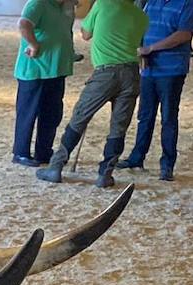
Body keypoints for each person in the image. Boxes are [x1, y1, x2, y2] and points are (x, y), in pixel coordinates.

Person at [36, 0, 147, 187]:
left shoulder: (103, 4)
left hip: (105, 72)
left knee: (80, 117)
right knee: (118, 127)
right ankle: (105, 173)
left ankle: (56, 166)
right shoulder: (142, 16)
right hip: (132, 73)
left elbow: (86, 34)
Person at [116, 0, 193, 180]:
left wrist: (151, 48)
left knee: (168, 116)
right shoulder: (153, 1)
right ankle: (137, 157)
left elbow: (184, 34)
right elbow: (142, 24)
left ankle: (167, 164)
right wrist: (140, 49)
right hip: (149, 67)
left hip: (172, 68)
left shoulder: (190, 2)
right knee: (145, 115)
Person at [13, 0, 76, 166]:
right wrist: (33, 44)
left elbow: (65, 31)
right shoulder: (38, 3)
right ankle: (21, 153)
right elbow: (24, 24)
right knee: (28, 113)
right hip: (35, 69)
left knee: (52, 114)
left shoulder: (67, 6)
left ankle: (44, 152)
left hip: (57, 69)